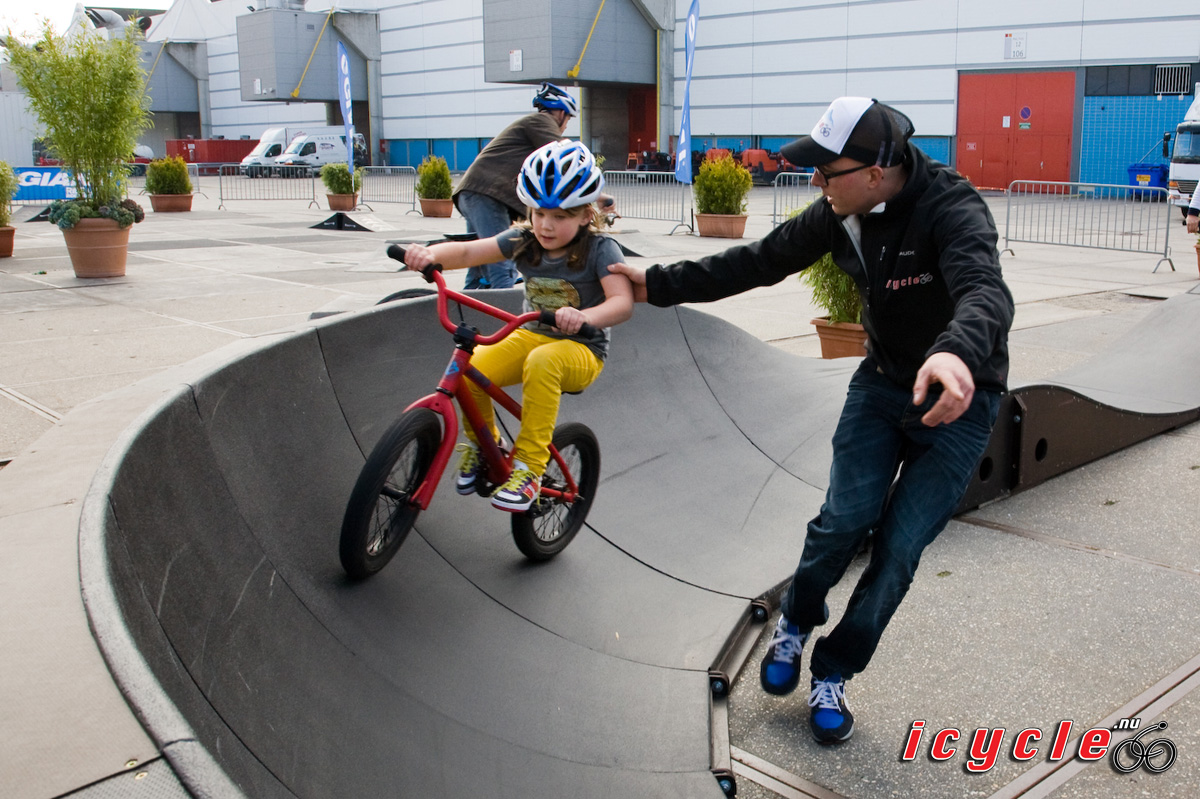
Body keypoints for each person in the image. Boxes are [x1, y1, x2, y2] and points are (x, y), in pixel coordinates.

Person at [608, 97, 1014, 744]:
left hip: (961, 399)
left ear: (878, 171)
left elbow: (985, 290)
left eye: (828, 172)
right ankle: (795, 621)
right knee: (842, 521)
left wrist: (955, 353)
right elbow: (756, 262)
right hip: (882, 385)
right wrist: (656, 282)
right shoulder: (838, 211)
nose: (816, 184)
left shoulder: (952, 209)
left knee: (899, 552)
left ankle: (834, 670)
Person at [404, 140, 634, 511]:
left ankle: (528, 468)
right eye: (539, 213)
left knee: (543, 362)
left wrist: (585, 317)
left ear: (585, 216)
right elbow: (467, 252)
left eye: (560, 216)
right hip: (530, 333)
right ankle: (486, 446)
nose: (546, 224)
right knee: (471, 365)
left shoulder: (600, 250)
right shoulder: (524, 240)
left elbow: (622, 303)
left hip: (581, 349)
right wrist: (430, 254)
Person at [453, 82, 578, 290]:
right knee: (502, 262)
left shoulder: (531, 123)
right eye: (568, 119)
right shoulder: (542, 120)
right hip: (488, 195)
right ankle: (506, 316)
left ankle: (465, 314)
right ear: (560, 113)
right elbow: (563, 158)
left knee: (478, 270)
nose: (566, 126)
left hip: (475, 192)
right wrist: (599, 196)